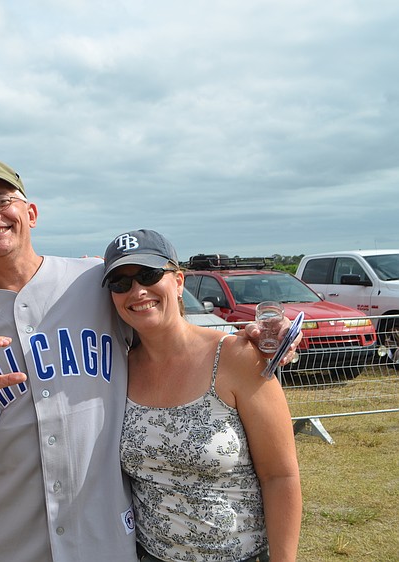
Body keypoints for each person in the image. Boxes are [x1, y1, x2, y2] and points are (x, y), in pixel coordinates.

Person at [0, 160, 300, 562]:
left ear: (30, 212)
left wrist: (264, 339)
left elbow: (166, 328)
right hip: (11, 538)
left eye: (1, 200)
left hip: (104, 538)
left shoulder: (94, 282)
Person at [104, 229, 301, 562]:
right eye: (120, 283)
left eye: (149, 274)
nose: (137, 290)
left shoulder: (237, 357)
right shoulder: (118, 369)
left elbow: (280, 476)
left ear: (178, 281)